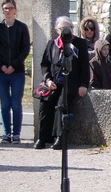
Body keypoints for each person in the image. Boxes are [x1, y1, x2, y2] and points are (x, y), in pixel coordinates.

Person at [36, 16, 90, 150]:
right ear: (57, 30)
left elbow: (84, 66)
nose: (66, 31)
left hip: (70, 83)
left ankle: (60, 138)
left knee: (62, 105)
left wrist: (83, 84)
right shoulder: (52, 44)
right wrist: (47, 79)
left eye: (68, 28)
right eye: (62, 28)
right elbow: (45, 64)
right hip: (53, 82)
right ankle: (43, 138)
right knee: (45, 104)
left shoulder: (79, 43)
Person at [0, 0, 30, 144]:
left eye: (10, 8)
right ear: (3, 10)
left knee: (16, 103)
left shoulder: (21, 27)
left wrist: (13, 65)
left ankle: (16, 134)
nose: (8, 11)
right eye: (5, 8)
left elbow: (25, 49)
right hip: (1, 72)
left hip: (17, 72)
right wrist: (1, 66)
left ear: (15, 10)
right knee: (5, 104)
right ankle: (7, 134)